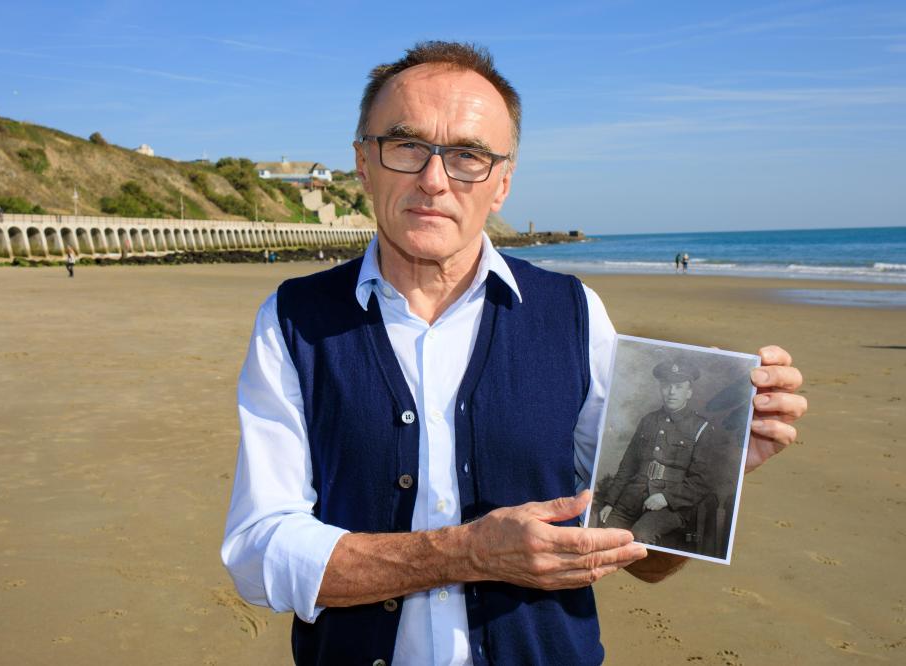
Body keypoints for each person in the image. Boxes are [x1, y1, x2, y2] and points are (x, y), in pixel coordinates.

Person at [221, 41, 807, 666]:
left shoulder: (575, 315)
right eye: (407, 145)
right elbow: (259, 552)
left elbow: (644, 561)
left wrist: (715, 464)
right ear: (364, 163)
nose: (434, 179)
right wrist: (465, 553)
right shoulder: (292, 322)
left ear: (501, 183)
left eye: (468, 155)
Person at [598, 359, 721, 548]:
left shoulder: (701, 428)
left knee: (641, 535)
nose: (672, 392)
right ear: (661, 389)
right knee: (604, 533)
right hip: (633, 496)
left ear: (689, 392)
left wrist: (666, 498)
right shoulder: (649, 420)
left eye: (679, 387)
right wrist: (610, 502)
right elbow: (628, 465)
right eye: (666, 386)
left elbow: (702, 480)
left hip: (673, 505)